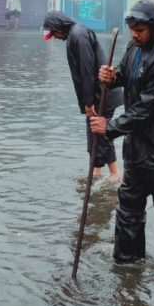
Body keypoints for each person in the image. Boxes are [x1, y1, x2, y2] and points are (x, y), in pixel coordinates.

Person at [89, 0, 154, 274]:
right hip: (138, 147)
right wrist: (111, 77)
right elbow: (126, 74)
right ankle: (127, 263)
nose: (135, 34)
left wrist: (109, 127)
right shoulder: (135, 48)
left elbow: (144, 110)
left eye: (140, 29)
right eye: (132, 29)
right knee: (128, 206)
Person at [42, 11, 123, 182]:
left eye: (54, 33)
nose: (55, 37)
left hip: (102, 94)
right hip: (97, 94)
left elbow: (86, 70)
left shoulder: (78, 36)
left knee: (100, 131)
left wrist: (88, 102)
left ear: (58, 27)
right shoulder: (75, 35)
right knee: (94, 133)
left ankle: (115, 173)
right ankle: (96, 171)